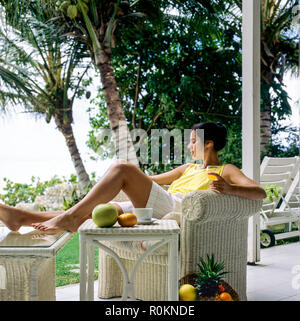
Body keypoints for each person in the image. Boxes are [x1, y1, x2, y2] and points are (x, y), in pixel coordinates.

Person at [0, 122, 266, 233]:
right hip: (160, 203)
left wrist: (229, 189)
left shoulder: (225, 170)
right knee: (98, 210)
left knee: (123, 167)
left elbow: (259, 193)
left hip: (176, 209)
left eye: (193, 141)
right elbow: (150, 181)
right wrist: (114, 183)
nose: (189, 146)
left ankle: (67, 218)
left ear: (208, 144)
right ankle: (20, 217)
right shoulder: (187, 168)